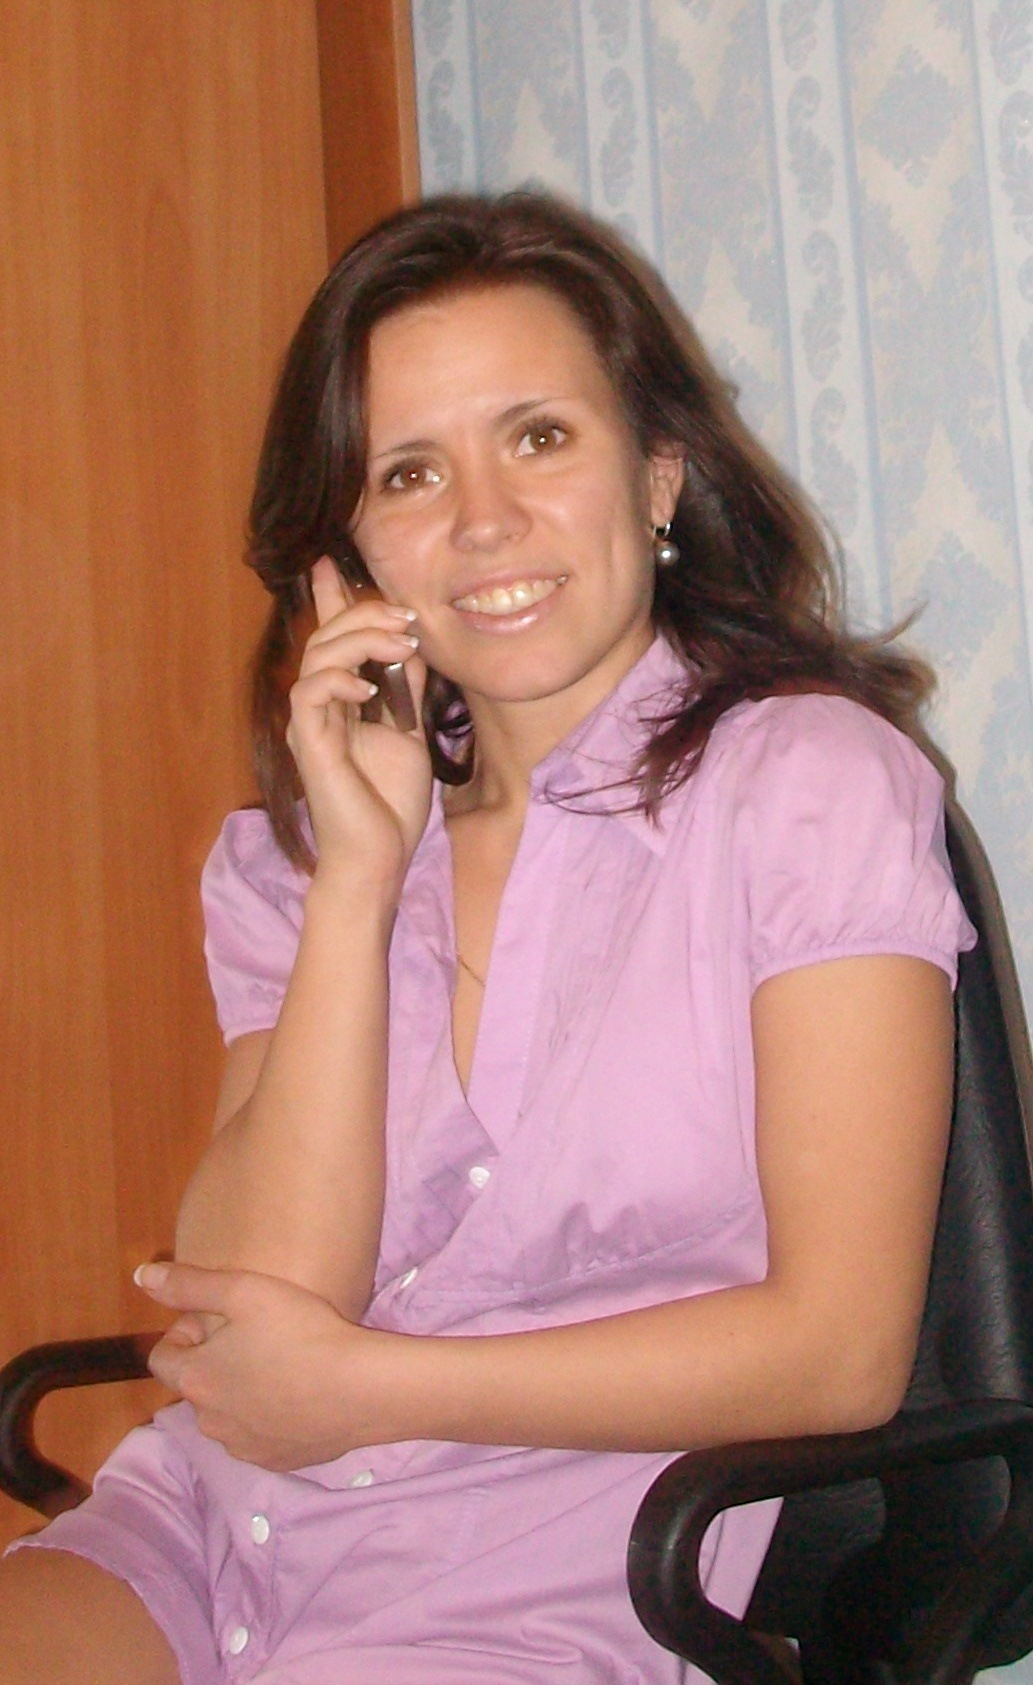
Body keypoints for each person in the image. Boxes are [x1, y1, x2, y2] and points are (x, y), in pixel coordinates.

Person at [0, 192, 974, 1684]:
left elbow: (838, 1351)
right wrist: (359, 880)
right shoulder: (294, 861)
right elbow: (261, 1299)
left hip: (541, 1584)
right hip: (210, 1534)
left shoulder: (807, 784)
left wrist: (378, 1389)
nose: (481, 521)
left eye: (538, 437)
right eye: (408, 472)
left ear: (657, 473)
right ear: (349, 556)